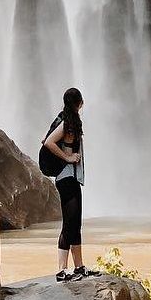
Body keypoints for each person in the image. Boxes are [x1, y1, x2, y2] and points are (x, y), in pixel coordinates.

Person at [43, 87, 102, 282]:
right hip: (65, 178)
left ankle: (79, 267)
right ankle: (62, 270)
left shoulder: (72, 121)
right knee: (69, 224)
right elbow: (48, 142)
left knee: (75, 223)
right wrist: (68, 157)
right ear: (79, 103)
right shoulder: (67, 121)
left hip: (72, 178)